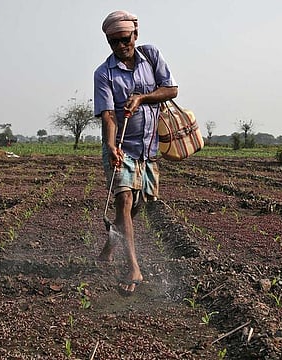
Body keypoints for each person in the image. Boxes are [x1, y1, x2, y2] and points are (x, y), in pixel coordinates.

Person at [94, 10, 178, 295]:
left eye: (124, 39)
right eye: (113, 42)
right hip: (122, 148)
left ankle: (109, 247)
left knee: (137, 206)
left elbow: (171, 90)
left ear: (135, 35)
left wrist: (142, 97)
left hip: (148, 148)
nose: (120, 46)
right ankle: (133, 267)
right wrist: (110, 145)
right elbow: (108, 115)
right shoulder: (103, 73)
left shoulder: (151, 56)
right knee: (125, 199)